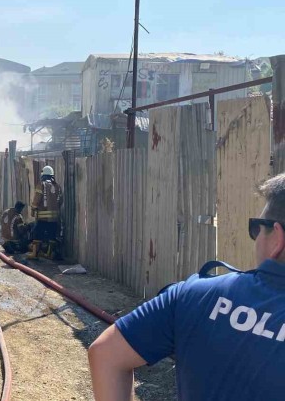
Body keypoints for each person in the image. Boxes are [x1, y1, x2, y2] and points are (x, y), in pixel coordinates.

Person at [88, 173, 285, 401]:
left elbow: (105, 354)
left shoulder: (193, 294)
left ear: (277, 239)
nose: (256, 237)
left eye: (257, 228)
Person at [30, 165, 62, 259]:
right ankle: (49, 254)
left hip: (42, 217)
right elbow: (60, 200)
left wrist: (33, 209)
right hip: (54, 218)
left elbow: (36, 200)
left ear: (43, 175)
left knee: (37, 234)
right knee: (52, 235)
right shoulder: (57, 186)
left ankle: (35, 254)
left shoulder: (42, 184)